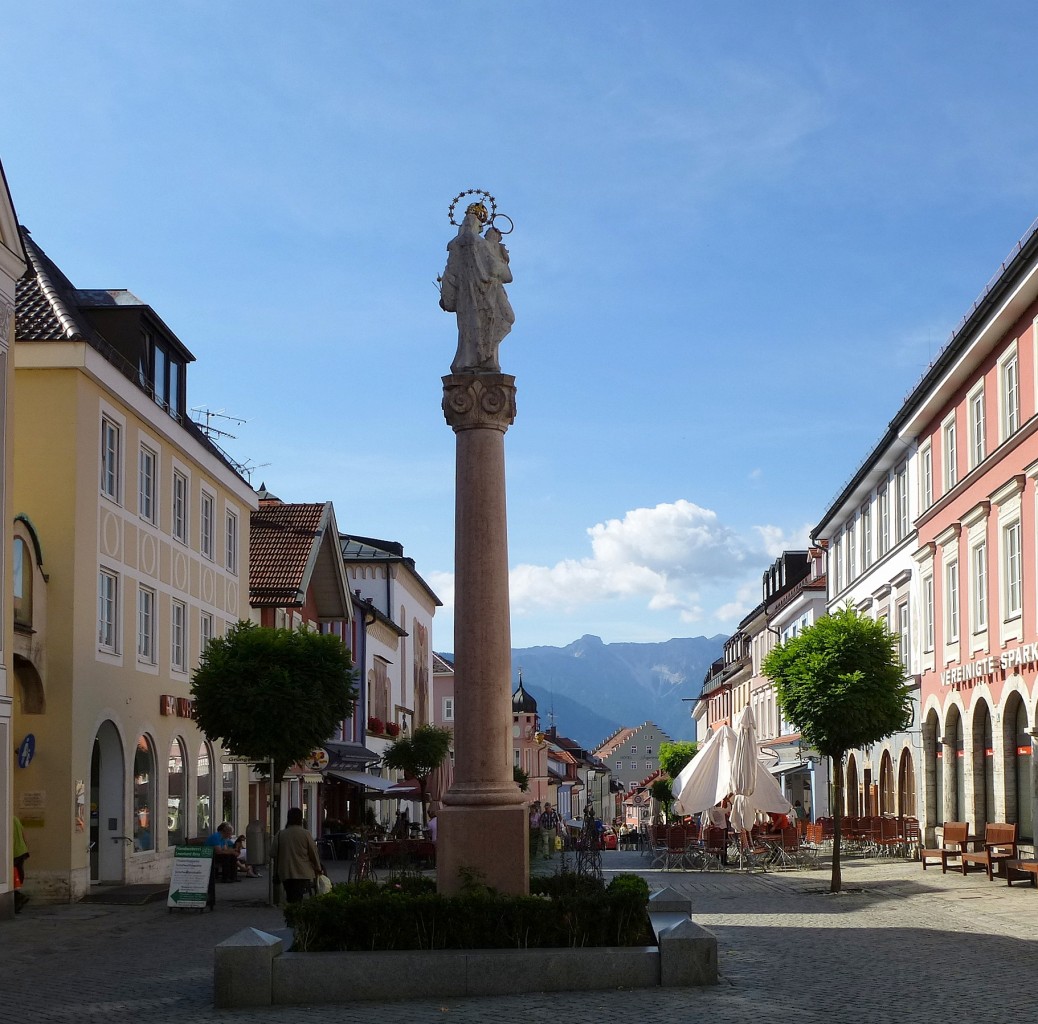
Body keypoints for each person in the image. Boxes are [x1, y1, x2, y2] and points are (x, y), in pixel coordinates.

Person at [439, 205, 515, 375]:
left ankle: (468, 361)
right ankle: (486, 360)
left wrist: (446, 296)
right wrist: (495, 247)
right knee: (498, 321)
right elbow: (505, 274)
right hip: (487, 297)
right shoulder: (481, 244)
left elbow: (449, 275)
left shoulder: (455, 245)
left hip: (465, 300)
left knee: (468, 330)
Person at [271, 807, 322, 904]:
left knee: (291, 895)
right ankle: (297, 913)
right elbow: (313, 853)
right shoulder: (306, 834)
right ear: (300, 819)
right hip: (303, 871)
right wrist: (318, 868)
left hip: (286, 872)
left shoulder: (280, 834)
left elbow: (272, 853)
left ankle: (293, 910)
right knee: (299, 895)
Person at [13, 815, 28, 913]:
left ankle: (17, 896)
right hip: (21, 850)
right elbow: (23, 834)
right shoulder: (15, 818)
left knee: (12, 875)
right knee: (18, 872)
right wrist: (26, 847)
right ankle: (18, 895)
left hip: (13, 851)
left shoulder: (5, 818)